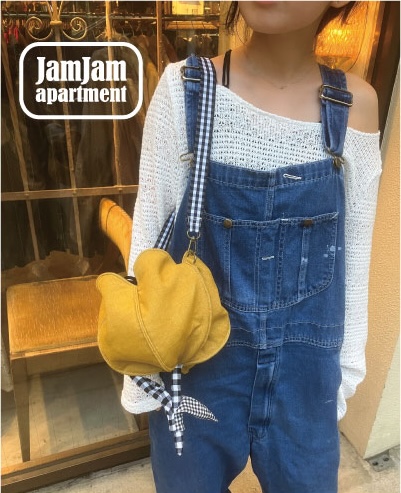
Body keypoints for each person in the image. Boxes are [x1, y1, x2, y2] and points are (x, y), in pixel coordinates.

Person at [121, 2, 382, 492]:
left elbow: (355, 259)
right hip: (196, 364)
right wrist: (142, 377)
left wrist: (343, 374)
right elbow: (149, 241)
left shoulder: (355, 108)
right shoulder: (186, 89)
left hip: (305, 373)